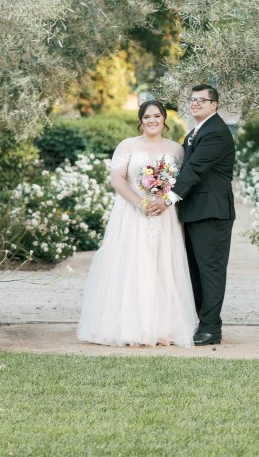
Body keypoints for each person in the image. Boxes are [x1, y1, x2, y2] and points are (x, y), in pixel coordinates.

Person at [77, 100, 196, 347]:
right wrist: (140, 204)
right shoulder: (127, 145)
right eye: (147, 116)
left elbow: (181, 183)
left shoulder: (176, 150)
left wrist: (163, 202)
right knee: (131, 265)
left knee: (163, 266)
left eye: (157, 116)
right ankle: (130, 326)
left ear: (164, 119)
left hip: (164, 216)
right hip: (132, 215)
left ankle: (163, 327)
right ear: (140, 121)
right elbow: (118, 179)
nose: (152, 120)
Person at [146, 84, 236, 346]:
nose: (195, 103)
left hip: (212, 213)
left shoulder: (216, 133)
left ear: (214, 105)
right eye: (192, 99)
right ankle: (202, 323)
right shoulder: (196, 132)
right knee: (195, 271)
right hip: (195, 212)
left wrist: (168, 199)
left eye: (201, 100)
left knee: (210, 271)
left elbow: (194, 170)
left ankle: (211, 328)